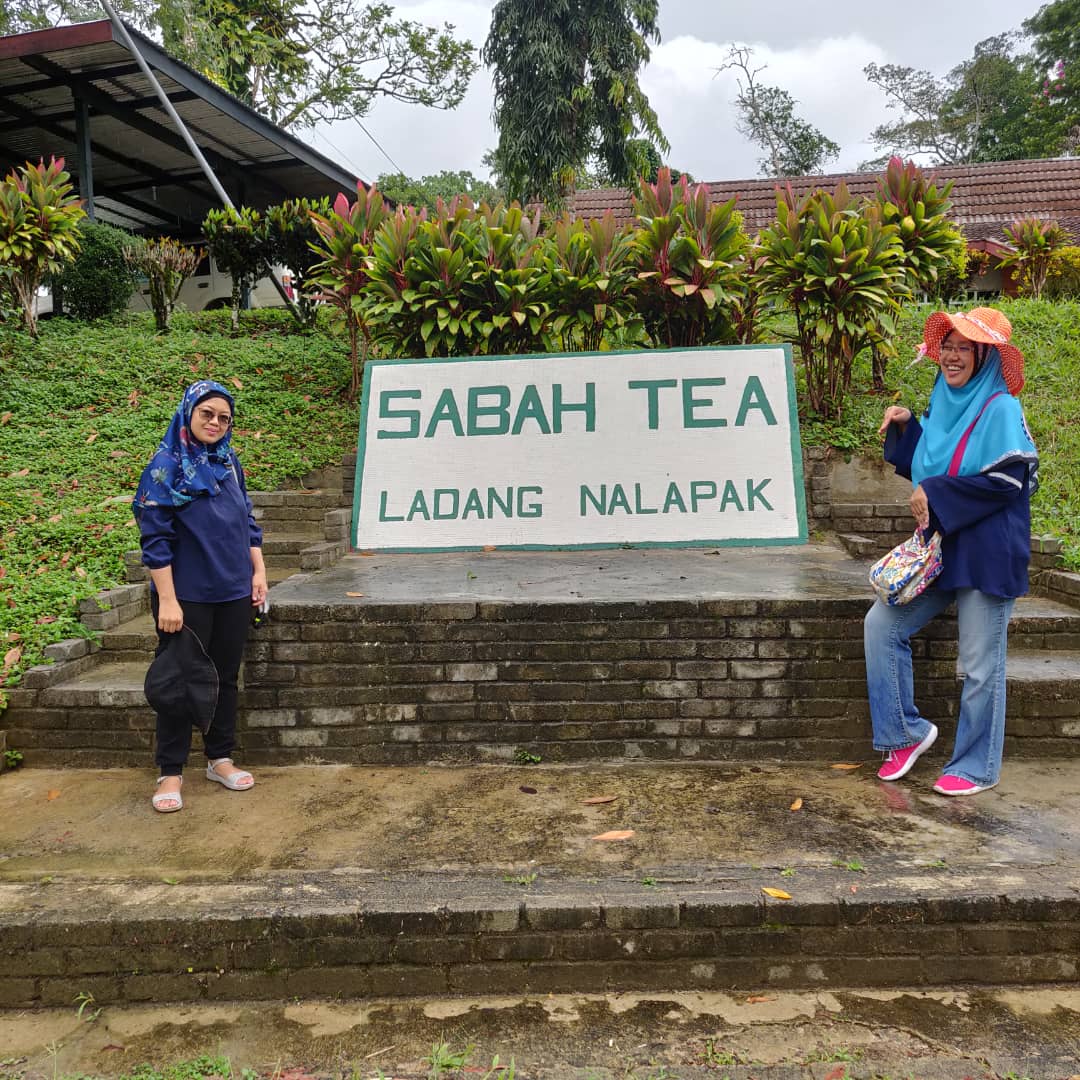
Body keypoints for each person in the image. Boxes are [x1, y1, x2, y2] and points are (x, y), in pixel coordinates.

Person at [865, 308, 1038, 796]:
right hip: (941, 547)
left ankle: (976, 765)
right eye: (949, 346)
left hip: (986, 550)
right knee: (881, 625)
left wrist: (936, 494)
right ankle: (906, 733)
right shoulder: (943, 401)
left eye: (966, 347)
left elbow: (1007, 479)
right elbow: (942, 457)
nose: (952, 356)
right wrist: (907, 427)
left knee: (981, 664)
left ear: (985, 357)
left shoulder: (1001, 407)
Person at [133, 380, 267, 812]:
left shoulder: (229, 463)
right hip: (186, 595)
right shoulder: (165, 466)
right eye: (207, 413)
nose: (215, 422)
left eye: (224, 417)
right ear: (188, 412)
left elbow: (246, 518)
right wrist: (167, 600)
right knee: (179, 681)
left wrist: (258, 571)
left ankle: (219, 758)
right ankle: (170, 772)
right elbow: (155, 541)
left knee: (225, 678)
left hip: (233, 590)